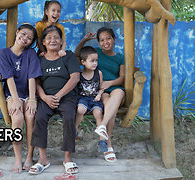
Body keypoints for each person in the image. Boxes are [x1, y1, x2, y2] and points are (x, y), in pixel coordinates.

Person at [29, 25, 81, 175]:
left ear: (61, 41)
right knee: (39, 118)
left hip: (67, 97)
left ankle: (68, 158)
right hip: (46, 98)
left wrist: (58, 96)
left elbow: (75, 77)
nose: (53, 40)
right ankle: (43, 159)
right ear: (43, 42)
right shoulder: (40, 59)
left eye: (56, 38)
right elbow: (37, 82)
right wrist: (45, 97)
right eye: (49, 38)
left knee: (69, 117)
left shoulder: (68, 56)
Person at [75, 27, 125, 163]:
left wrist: (110, 83)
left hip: (114, 88)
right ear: (98, 42)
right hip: (100, 92)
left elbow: (122, 78)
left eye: (108, 38)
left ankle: (102, 125)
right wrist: (85, 40)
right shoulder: (95, 53)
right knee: (111, 110)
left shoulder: (120, 57)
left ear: (114, 39)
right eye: (102, 40)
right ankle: (108, 146)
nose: (105, 42)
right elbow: (78, 54)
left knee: (119, 92)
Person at [0, 24, 42, 173]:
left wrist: (31, 99)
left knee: (30, 116)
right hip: (13, 94)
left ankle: (29, 156)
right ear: (17, 32)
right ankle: (18, 158)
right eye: (23, 34)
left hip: (28, 93)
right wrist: (15, 99)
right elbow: (8, 78)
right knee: (17, 119)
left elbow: (32, 77)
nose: (25, 39)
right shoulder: (4, 53)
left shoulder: (30, 54)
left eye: (29, 38)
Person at [74, 46, 108, 152]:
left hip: (95, 99)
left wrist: (99, 94)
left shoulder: (99, 73)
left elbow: (101, 87)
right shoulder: (79, 74)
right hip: (83, 99)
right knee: (80, 110)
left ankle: (102, 140)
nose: (95, 63)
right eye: (92, 61)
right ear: (83, 62)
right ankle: (74, 130)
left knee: (98, 114)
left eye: (96, 61)